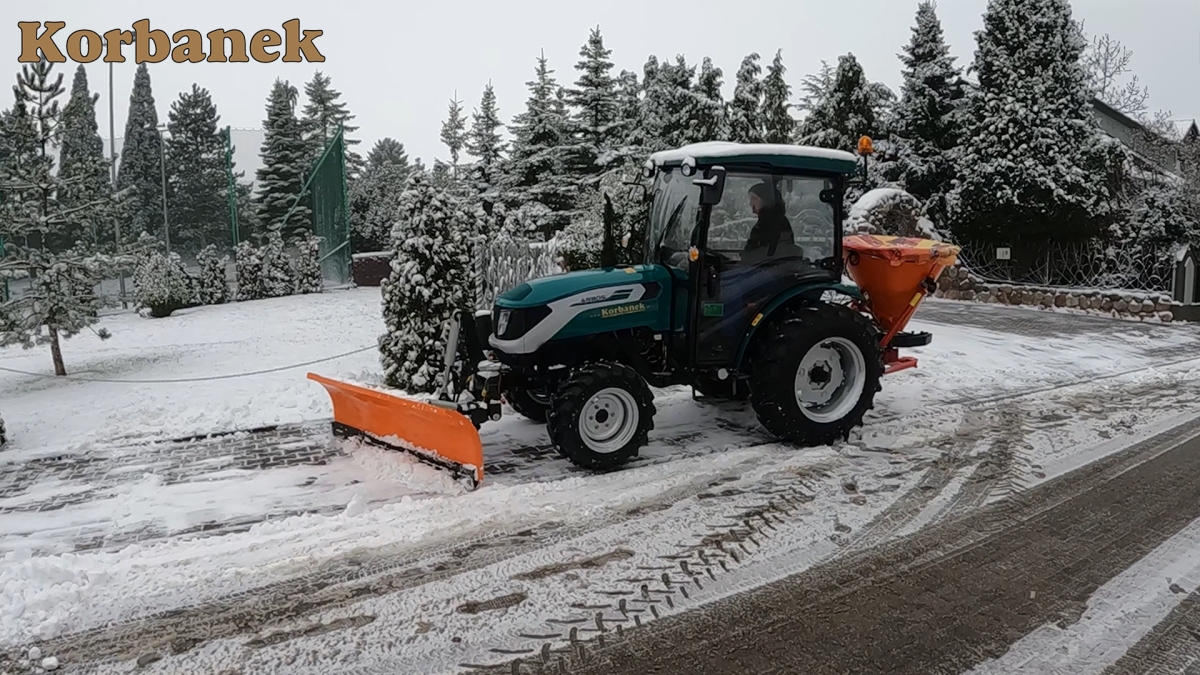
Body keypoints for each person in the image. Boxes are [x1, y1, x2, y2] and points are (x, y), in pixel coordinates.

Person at [743, 181, 794, 256]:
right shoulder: (768, 220)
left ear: (766, 200)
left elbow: (766, 254)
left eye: (754, 198)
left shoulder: (772, 223)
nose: (751, 203)